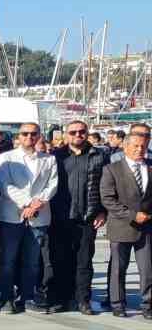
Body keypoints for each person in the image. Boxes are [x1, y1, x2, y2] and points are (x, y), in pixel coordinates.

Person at [0, 121, 58, 313]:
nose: (29, 137)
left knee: (32, 261)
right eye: (25, 133)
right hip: (12, 215)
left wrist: (37, 203)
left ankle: (27, 297)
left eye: (33, 133)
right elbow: (3, 184)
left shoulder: (49, 159)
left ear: (39, 136)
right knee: (8, 260)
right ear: (18, 136)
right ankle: (6, 298)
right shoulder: (6, 157)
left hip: (39, 216)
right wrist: (27, 203)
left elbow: (52, 185)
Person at [48, 120, 105, 314]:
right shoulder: (56, 156)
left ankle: (83, 300)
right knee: (60, 259)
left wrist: (102, 211)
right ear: (66, 134)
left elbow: (106, 185)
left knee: (84, 261)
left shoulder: (99, 155)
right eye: (73, 132)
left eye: (82, 131)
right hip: (60, 216)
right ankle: (62, 299)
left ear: (87, 133)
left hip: (87, 216)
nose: (78, 135)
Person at [98, 127, 151, 318]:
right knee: (118, 269)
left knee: (147, 269)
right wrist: (132, 215)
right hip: (121, 226)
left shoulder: (150, 166)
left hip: (147, 227)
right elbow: (108, 199)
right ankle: (118, 304)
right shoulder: (112, 169)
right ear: (126, 147)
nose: (139, 149)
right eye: (135, 146)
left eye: (143, 146)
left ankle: (148, 305)